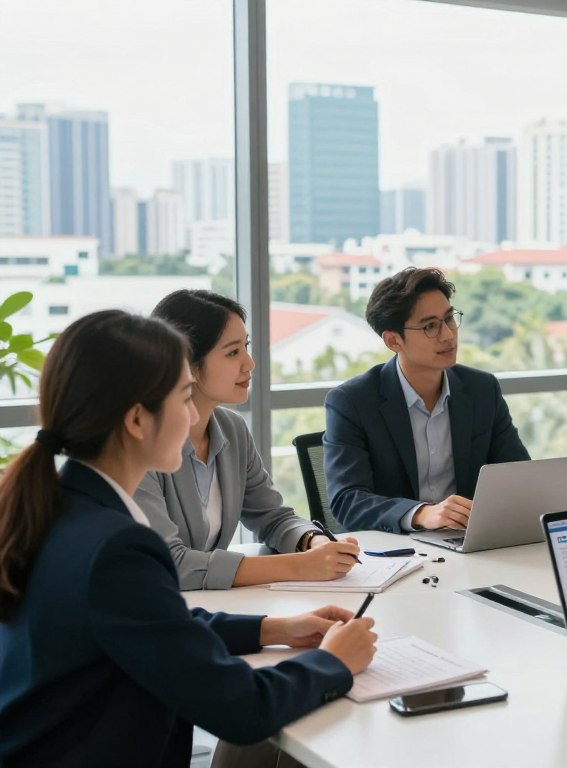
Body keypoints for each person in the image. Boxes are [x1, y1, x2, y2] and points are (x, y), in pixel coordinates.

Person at [0, 310, 377, 767]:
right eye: (183, 398)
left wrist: (271, 628)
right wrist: (334, 662)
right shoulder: (115, 547)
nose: (194, 413)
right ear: (138, 420)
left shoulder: (58, 506)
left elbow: (152, 623)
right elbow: (242, 708)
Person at [134, 290, 362, 590]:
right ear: (187, 362)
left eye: (246, 347)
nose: (249, 363)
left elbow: (272, 517)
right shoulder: (140, 444)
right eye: (232, 352)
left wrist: (313, 541)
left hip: (210, 608)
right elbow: (170, 563)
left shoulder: (232, 429)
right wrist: (298, 566)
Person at [325, 267, 529, 533]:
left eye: (449, 319)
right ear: (393, 340)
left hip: (465, 542)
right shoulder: (352, 402)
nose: (448, 335)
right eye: (430, 326)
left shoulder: (481, 389)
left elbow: (518, 476)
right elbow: (348, 500)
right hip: (394, 550)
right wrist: (421, 514)